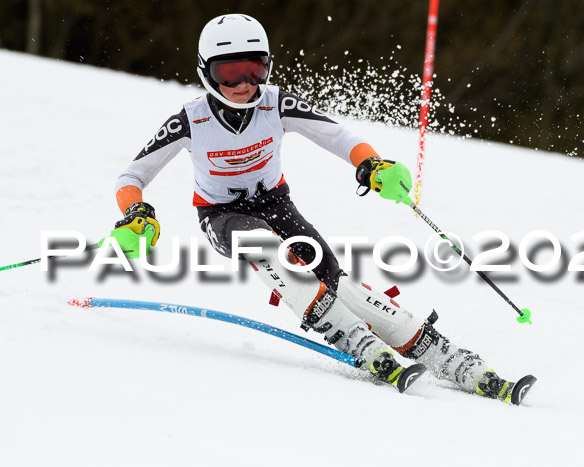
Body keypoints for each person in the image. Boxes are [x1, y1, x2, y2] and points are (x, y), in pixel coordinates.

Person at [114, 13, 530, 403]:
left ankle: (442, 353)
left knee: (334, 280)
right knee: (265, 246)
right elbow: (131, 176)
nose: (244, 82)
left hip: (276, 203)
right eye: (229, 72)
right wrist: (137, 215)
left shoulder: (275, 104)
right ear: (207, 72)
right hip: (221, 215)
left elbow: (339, 137)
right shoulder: (191, 121)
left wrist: (371, 163)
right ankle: (353, 339)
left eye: (254, 68)